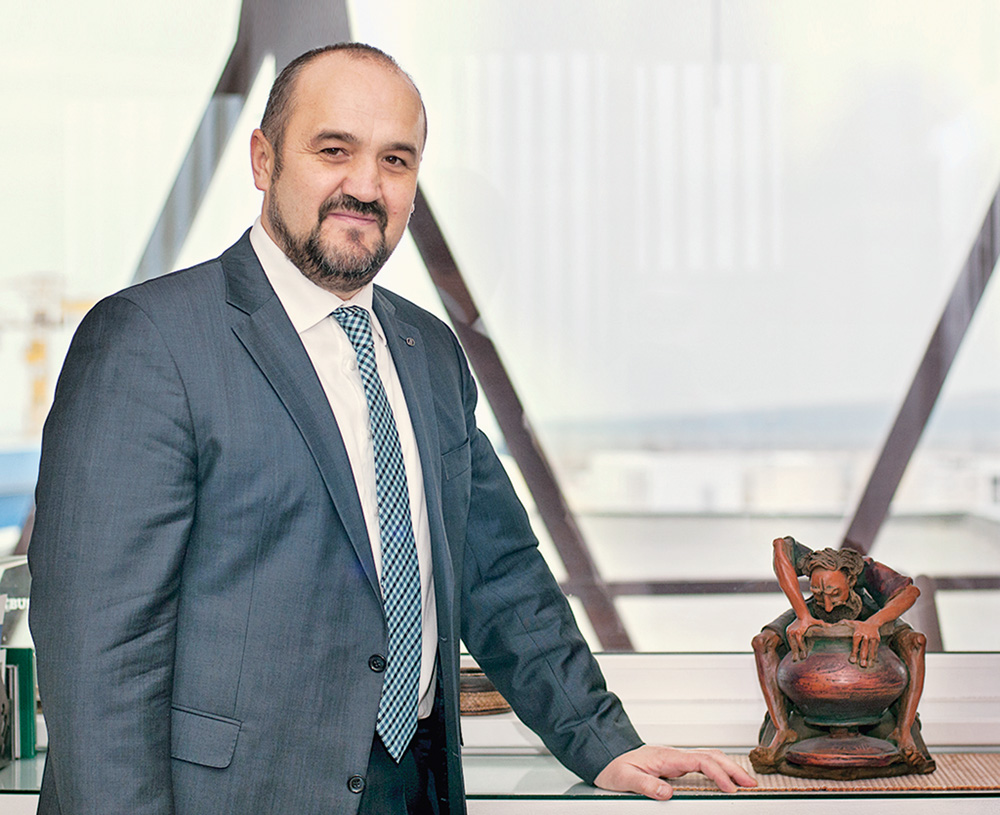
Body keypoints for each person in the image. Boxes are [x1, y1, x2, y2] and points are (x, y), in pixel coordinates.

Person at [28, 43, 755, 814]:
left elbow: (498, 571)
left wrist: (602, 739)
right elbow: (99, 653)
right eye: (333, 150)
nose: (366, 186)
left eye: (396, 160)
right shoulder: (148, 340)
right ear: (264, 160)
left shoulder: (428, 350)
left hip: (414, 791)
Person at [750, 536, 934, 774]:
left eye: (835, 593)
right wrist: (802, 614)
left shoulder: (865, 569)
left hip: (868, 613)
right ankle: (782, 729)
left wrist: (874, 622)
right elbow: (780, 546)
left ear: (851, 580)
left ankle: (904, 731)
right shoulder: (811, 562)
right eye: (818, 592)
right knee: (763, 642)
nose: (828, 605)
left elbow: (910, 592)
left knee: (915, 642)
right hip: (809, 613)